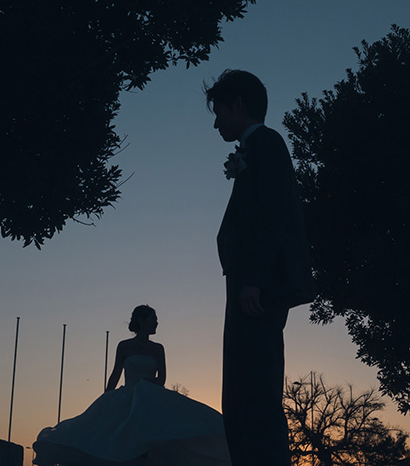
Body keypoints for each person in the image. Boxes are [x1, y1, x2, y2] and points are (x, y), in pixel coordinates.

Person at [205, 69, 316, 466]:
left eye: (218, 112)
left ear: (238, 104)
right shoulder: (259, 147)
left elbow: (273, 216)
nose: (216, 122)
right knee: (240, 391)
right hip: (245, 286)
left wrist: (253, 280)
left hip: (257, 290)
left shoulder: (267, 143)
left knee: (253, 389)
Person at [33, 305, 230, 466]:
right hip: (126, 396)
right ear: (142, 322)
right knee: (109, 435)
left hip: (149, 397)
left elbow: (161, 378)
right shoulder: (124, 346)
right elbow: (115, 374)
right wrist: (105, 399)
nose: (157, 322)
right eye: (153, 319)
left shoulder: (158, 348)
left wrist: (144, 387)